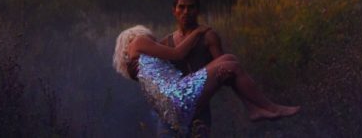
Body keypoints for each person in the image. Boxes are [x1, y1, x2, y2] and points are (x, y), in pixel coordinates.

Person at [113, 25, 300, 136]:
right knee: (231, 64)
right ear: (136, 35)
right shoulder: (138, 42)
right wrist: (197, 31)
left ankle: (254, 109)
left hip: (174, 105)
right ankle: (271, 107)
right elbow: (178, 53)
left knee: (229, 60)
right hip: (177, 96)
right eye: (150, 37)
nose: (152, 40)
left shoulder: (137, 65)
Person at [158, 0, 224, 136]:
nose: (186, 11)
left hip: (200, 111)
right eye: (181, 7)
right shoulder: (166, 43)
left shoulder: (208, 37)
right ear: (174, 11)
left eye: (190, 7)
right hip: (170, 112)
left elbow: (223, 71)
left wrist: (205, 96)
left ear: (197, 10)